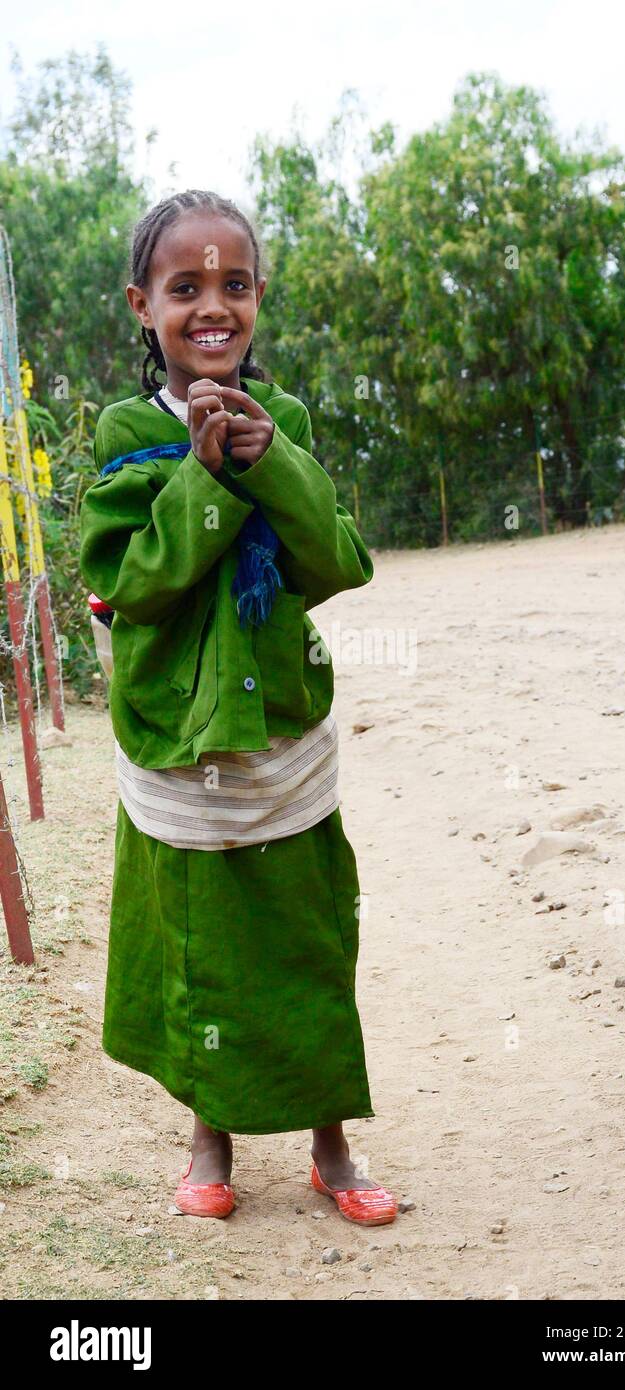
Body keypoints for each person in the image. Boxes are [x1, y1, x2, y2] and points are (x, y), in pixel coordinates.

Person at [79, 189, 398, 1226]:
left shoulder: (287, 420)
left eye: (233, 284)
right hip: (176, 745)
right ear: (142, 304)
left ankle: (330, 1147)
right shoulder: (129, 436)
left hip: (279, 738)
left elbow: (337, 561)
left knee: (308, 935)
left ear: (258, 297)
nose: (211, 306)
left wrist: (276, 465)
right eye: (185, 287)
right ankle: (207, 1139)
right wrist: (205, 481)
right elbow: (133, 586)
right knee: (200, 945)